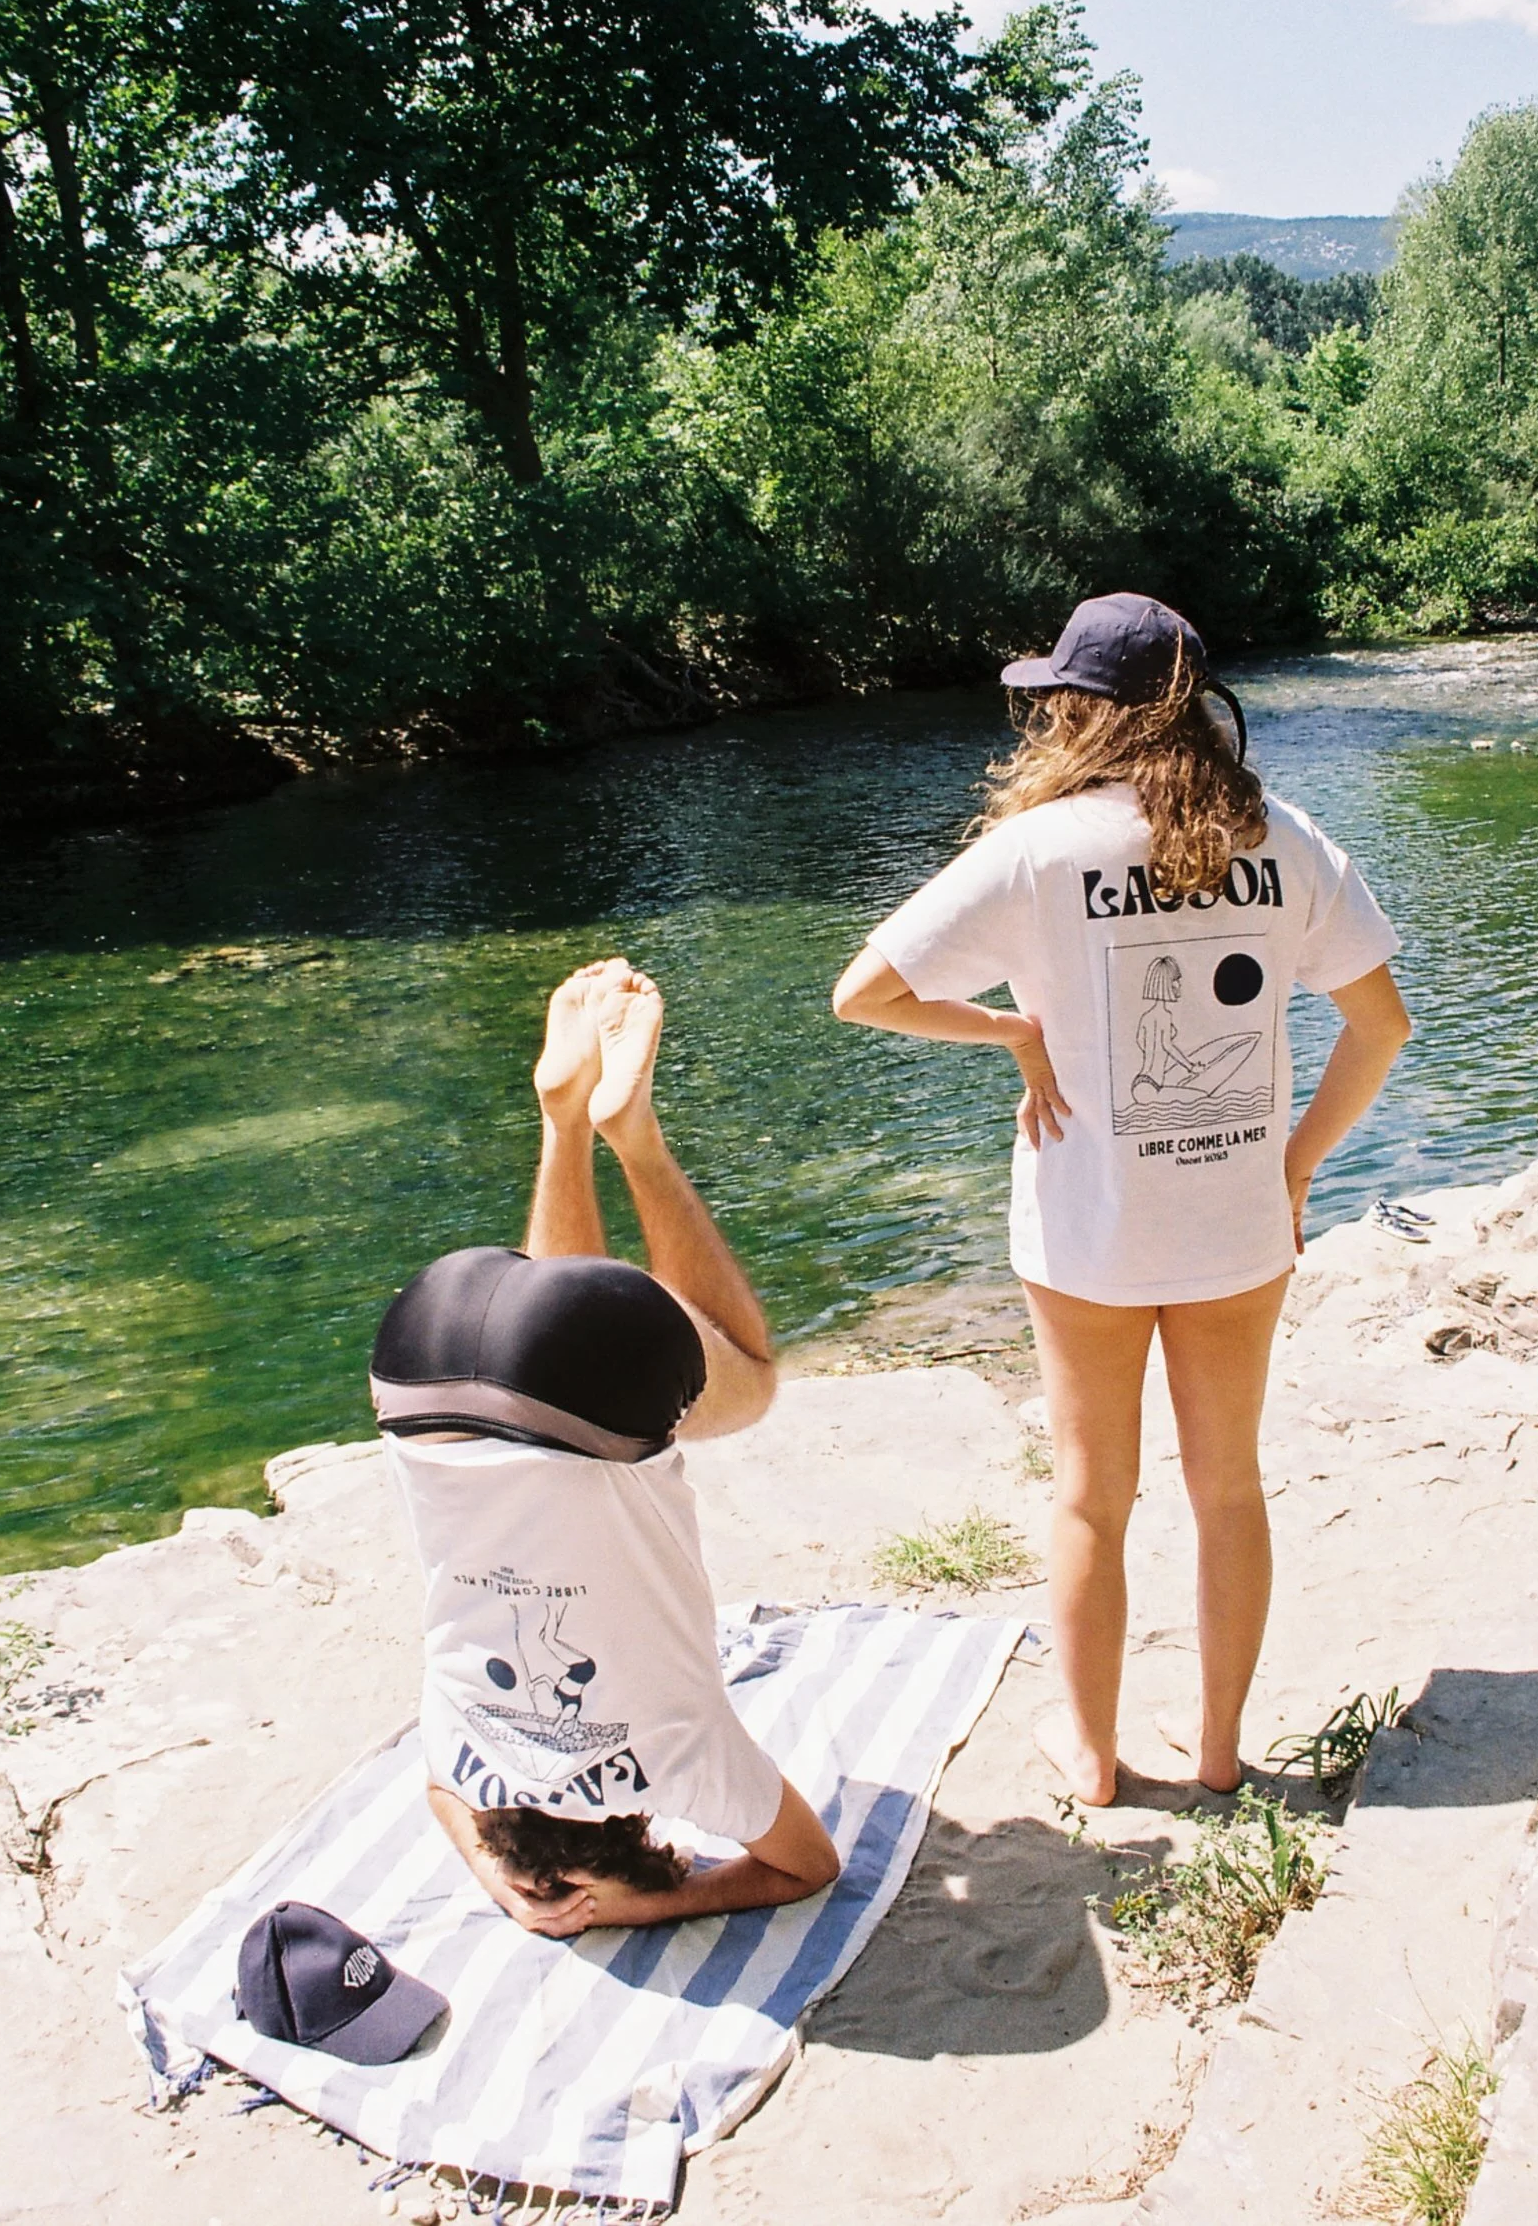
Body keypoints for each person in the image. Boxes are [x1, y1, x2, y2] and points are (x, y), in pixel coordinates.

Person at [833, 593, 1411, 1806]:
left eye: (1056, 699)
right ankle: (1216, 1756)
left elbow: (864, 994)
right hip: (1238, 1225)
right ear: (1196, 708)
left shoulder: (1038, 851)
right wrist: (1296, 1165)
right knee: (1231, 1489)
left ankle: (1091, 1758)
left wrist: (1008, 1032)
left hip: (1087, 1229)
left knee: (1093, 1496)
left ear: (1084, 712)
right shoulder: (1285, 837)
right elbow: (1382, 1025)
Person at [374, 957, 840, 1934]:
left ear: (628, 1830)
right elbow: (438, 1796)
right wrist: (506, 1884)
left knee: (743, 1378)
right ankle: (561, 1121)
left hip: (576, 1398)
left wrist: (628, 1907)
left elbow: (800, 1865)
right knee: (557, 1334)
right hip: (420, 1363)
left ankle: (634, 1137)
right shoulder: (462, 1751)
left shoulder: (682, 1762)